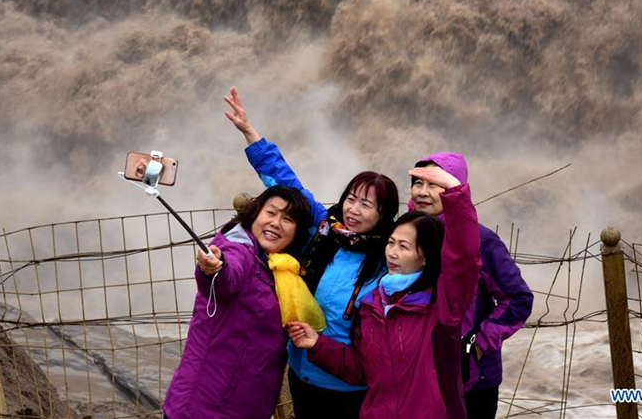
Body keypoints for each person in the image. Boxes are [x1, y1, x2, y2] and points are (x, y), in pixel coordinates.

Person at [224, 86, 400, 419]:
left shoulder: (388, 260)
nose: (353, 210)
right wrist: (250, 133)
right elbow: (287, 183)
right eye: (351, 199)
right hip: (301, 371)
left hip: (349, 388)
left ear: (383, 215)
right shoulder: (324, 229)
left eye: (366, 205)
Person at [288, 164, 481, 419]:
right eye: (391, 243)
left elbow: (463, 259)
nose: (392, 253)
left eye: (404, 246)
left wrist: (456, 193)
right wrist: (317, 344)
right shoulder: (373, 305)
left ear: (426, 257)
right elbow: (360, 369)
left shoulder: (440, 307)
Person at [163, 185, 322, 419]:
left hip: (251, 406)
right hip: (203, 407)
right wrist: (214, 268)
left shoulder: (285, 269)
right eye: (271, 213)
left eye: (287, 219)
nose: (276, 223)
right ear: (256, 214)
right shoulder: (239, 250)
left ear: (298, 231)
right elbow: (227, 276)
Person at [410, 153, 534, 419]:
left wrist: (477, 343)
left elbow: (518, 299)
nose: (422, 192)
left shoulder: (483, 240)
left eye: (434, 184)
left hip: (470, 377)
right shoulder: (406, 235)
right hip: (416, 370)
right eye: (418, 183)